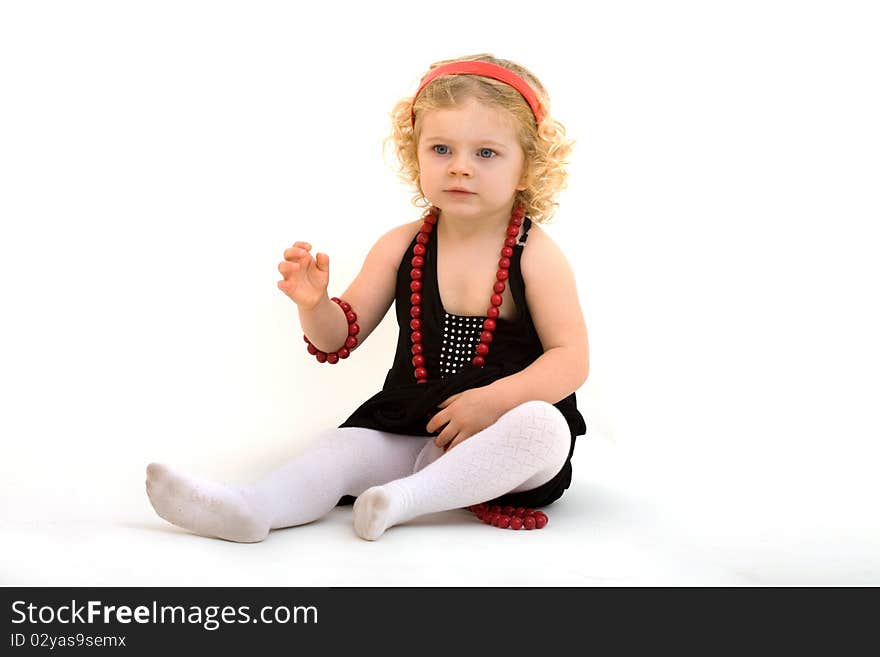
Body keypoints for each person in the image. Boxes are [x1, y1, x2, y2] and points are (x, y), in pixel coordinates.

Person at [146, 53, 590, 542]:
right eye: (441, 149)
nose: (460, 168)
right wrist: (315, 305)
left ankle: (404, 499)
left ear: (529, 167)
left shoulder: (535, 256)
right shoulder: (402, 245)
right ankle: (254, 508)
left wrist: (491, 403)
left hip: (500, 439)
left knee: (544, 429)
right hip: (413, 425)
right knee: (340, 448)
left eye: (486, 153)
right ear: (414, 153)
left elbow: (570, 361)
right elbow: (339, 337)